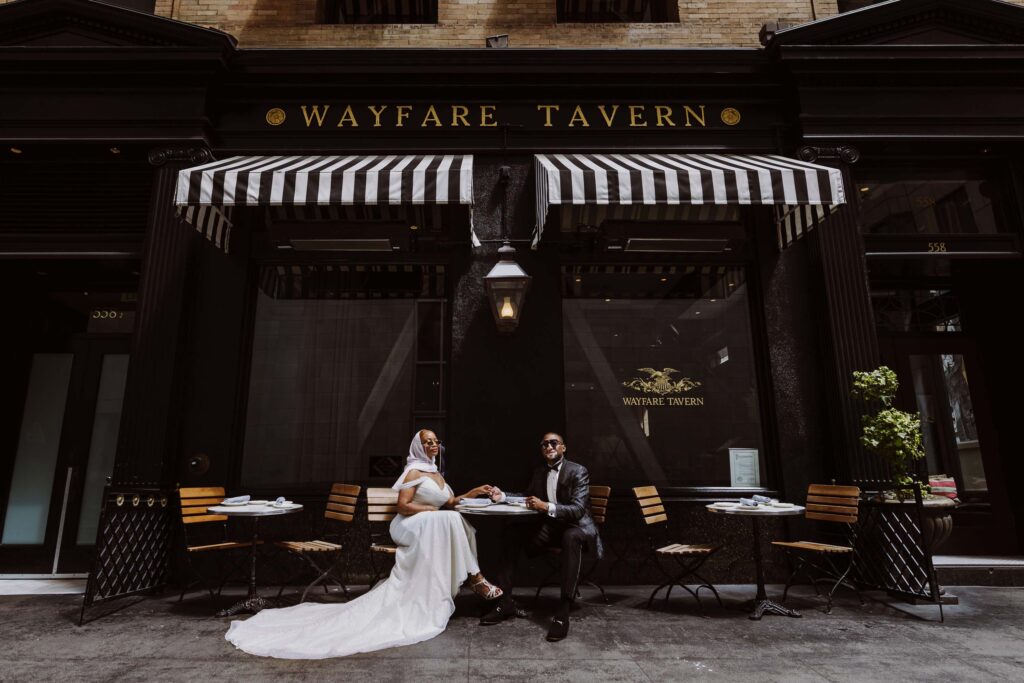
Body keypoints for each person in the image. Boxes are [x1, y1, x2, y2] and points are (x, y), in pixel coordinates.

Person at [224, 430, 502, 659]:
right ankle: (475, 578)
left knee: (458, 520)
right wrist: (434, 514)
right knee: (451, 521)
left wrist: (472, 493)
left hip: (432, 526)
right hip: (408, 526)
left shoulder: (438, 475)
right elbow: (403, 507)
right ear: (418, 446)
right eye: (427, 442)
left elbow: (450, 502)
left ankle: (474, 577)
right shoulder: (413, 471)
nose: (433, 445)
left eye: (435, 441)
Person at [483, 431, 602, 642]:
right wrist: (502, 496)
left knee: (570, 537)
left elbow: (577, 510)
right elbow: (528, 497)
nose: (549, 446)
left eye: (553, 443)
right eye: (544, 444)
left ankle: (563, 612)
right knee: (512, 532)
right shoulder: (539, 472)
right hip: (550, 529)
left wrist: (545, 506)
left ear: (563, 447)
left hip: (578, 529)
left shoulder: (578, 471)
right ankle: (506, 601)